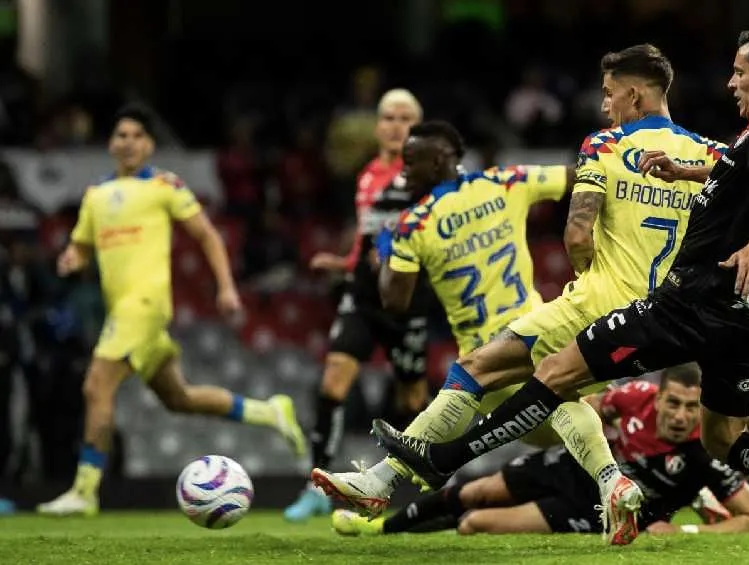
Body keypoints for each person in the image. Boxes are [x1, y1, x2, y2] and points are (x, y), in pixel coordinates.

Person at [375, 28, 749, 551]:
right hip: (740, 318)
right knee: (723, 440)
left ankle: (442, 459)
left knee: (557, 372)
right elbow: (747, 189)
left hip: (687, 304)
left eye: (741, 74)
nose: (731, 83)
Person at [311, 44, 727, 545]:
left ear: (634, 94)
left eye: (609, 93)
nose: (604, 104)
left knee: (475, 370)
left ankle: (379, 483)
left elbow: (576, 233)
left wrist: (586, 276)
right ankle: (613, 485)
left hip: (599, 301)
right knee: (565, 394)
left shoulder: (604, 145)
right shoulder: (711, 154)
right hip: (663, 315)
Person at [37, 104, 305, 517]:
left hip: (145, 305)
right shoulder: (95, 195)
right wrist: (72, 257)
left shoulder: (165, 185)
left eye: (136, 136)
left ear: (150, 145)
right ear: (111, 143)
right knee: (179, 398)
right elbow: (82, 245)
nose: (128, 143)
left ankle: (85, 491)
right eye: (121, 135)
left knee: (96, 385)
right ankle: (269, 411)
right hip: (122, 311)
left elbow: (207, 236)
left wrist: (226, 287)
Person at [311, 119, 574, 513]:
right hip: (533, 341)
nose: (404, 171)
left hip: (491, 364)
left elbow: (394, 301)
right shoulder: (505, 182)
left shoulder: (414, 222)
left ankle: (379, 480)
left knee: (473, 387)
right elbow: (577, 177)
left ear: (439, 161)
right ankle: (622, 479)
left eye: (411, 161)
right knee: (586, 415)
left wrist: (388, 248)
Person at [331, 365, 749, 537]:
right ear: (658, 398)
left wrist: (688, 532)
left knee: (476, 523)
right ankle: (382, 528)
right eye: (672, 402)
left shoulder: (709, 451)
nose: (679, 414)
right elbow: (591, 408)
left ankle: (413, 528)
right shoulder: (633, 396)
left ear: (702, 408)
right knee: (473, 491)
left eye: (691, 407)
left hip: (588, 506)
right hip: (570, 467)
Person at [284, 89, 428, 522]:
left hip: (406, 299)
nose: (395, 125)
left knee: (414, 399)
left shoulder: (425, 177)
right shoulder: (367, 175)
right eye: (388, 117)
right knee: (332, 384)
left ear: (417, 128)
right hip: (363, 296)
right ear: (377, 125)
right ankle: (315, 489)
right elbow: (368, 240)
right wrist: (344, 261)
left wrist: (392, 250)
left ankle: (417, 483)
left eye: (405, 118)